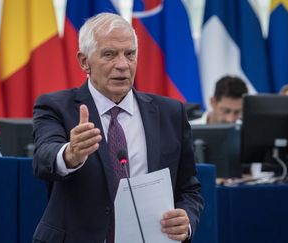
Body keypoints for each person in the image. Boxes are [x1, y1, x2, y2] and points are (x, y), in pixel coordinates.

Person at [32, 13, 203, 243]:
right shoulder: (55, 106)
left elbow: (189, 189)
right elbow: (44, 158)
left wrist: (186, 220)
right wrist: (70, 154)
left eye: (130, 54)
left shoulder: (171, 113)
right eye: (109, 54)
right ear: (84, 61)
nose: (122, 65)